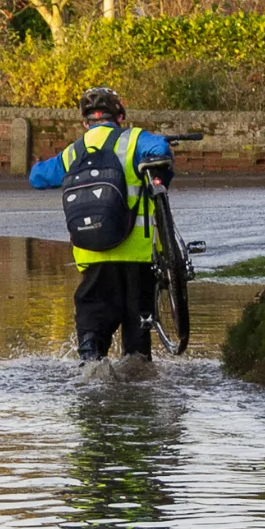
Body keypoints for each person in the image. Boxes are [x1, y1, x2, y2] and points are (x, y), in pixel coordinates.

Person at [29, 87, 173, 377]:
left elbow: (37, 177)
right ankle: (137, 379)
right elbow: (160, 150)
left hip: (92, 253)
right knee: (137, 329)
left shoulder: (74, 151)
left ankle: (91, 367)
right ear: (120, 116)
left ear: (85, 123)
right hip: (137, 254)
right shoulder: (133, 139)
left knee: (93, 317)